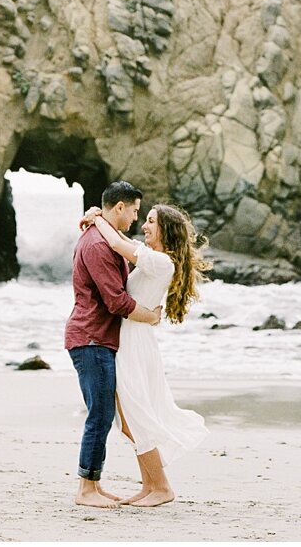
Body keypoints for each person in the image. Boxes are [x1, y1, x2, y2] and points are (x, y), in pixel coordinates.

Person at [80, 201, 212, 507]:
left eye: (151, 221)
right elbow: (123, 241)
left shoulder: (161, 262)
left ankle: (161, 486)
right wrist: (96, 217)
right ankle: (151, 485)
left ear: (165, 229)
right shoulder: (154, 258)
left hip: (133, 343)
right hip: (131, 338)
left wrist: (97, 216)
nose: (144, 225)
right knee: (130, 420)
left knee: (135, 417)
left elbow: (115, 242)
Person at [64, 181, 162, 509]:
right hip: (91, 337)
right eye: (134, 210)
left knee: (103, 413)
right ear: (119, 208)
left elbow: (127, 247)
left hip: (99, 338)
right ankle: (86, 488)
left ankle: (92, 483)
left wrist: (94, 215)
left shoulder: (106, 239)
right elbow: (116, 301)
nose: (136, 217)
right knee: (101, 413)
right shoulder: (96, 246)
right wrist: (149, 316)